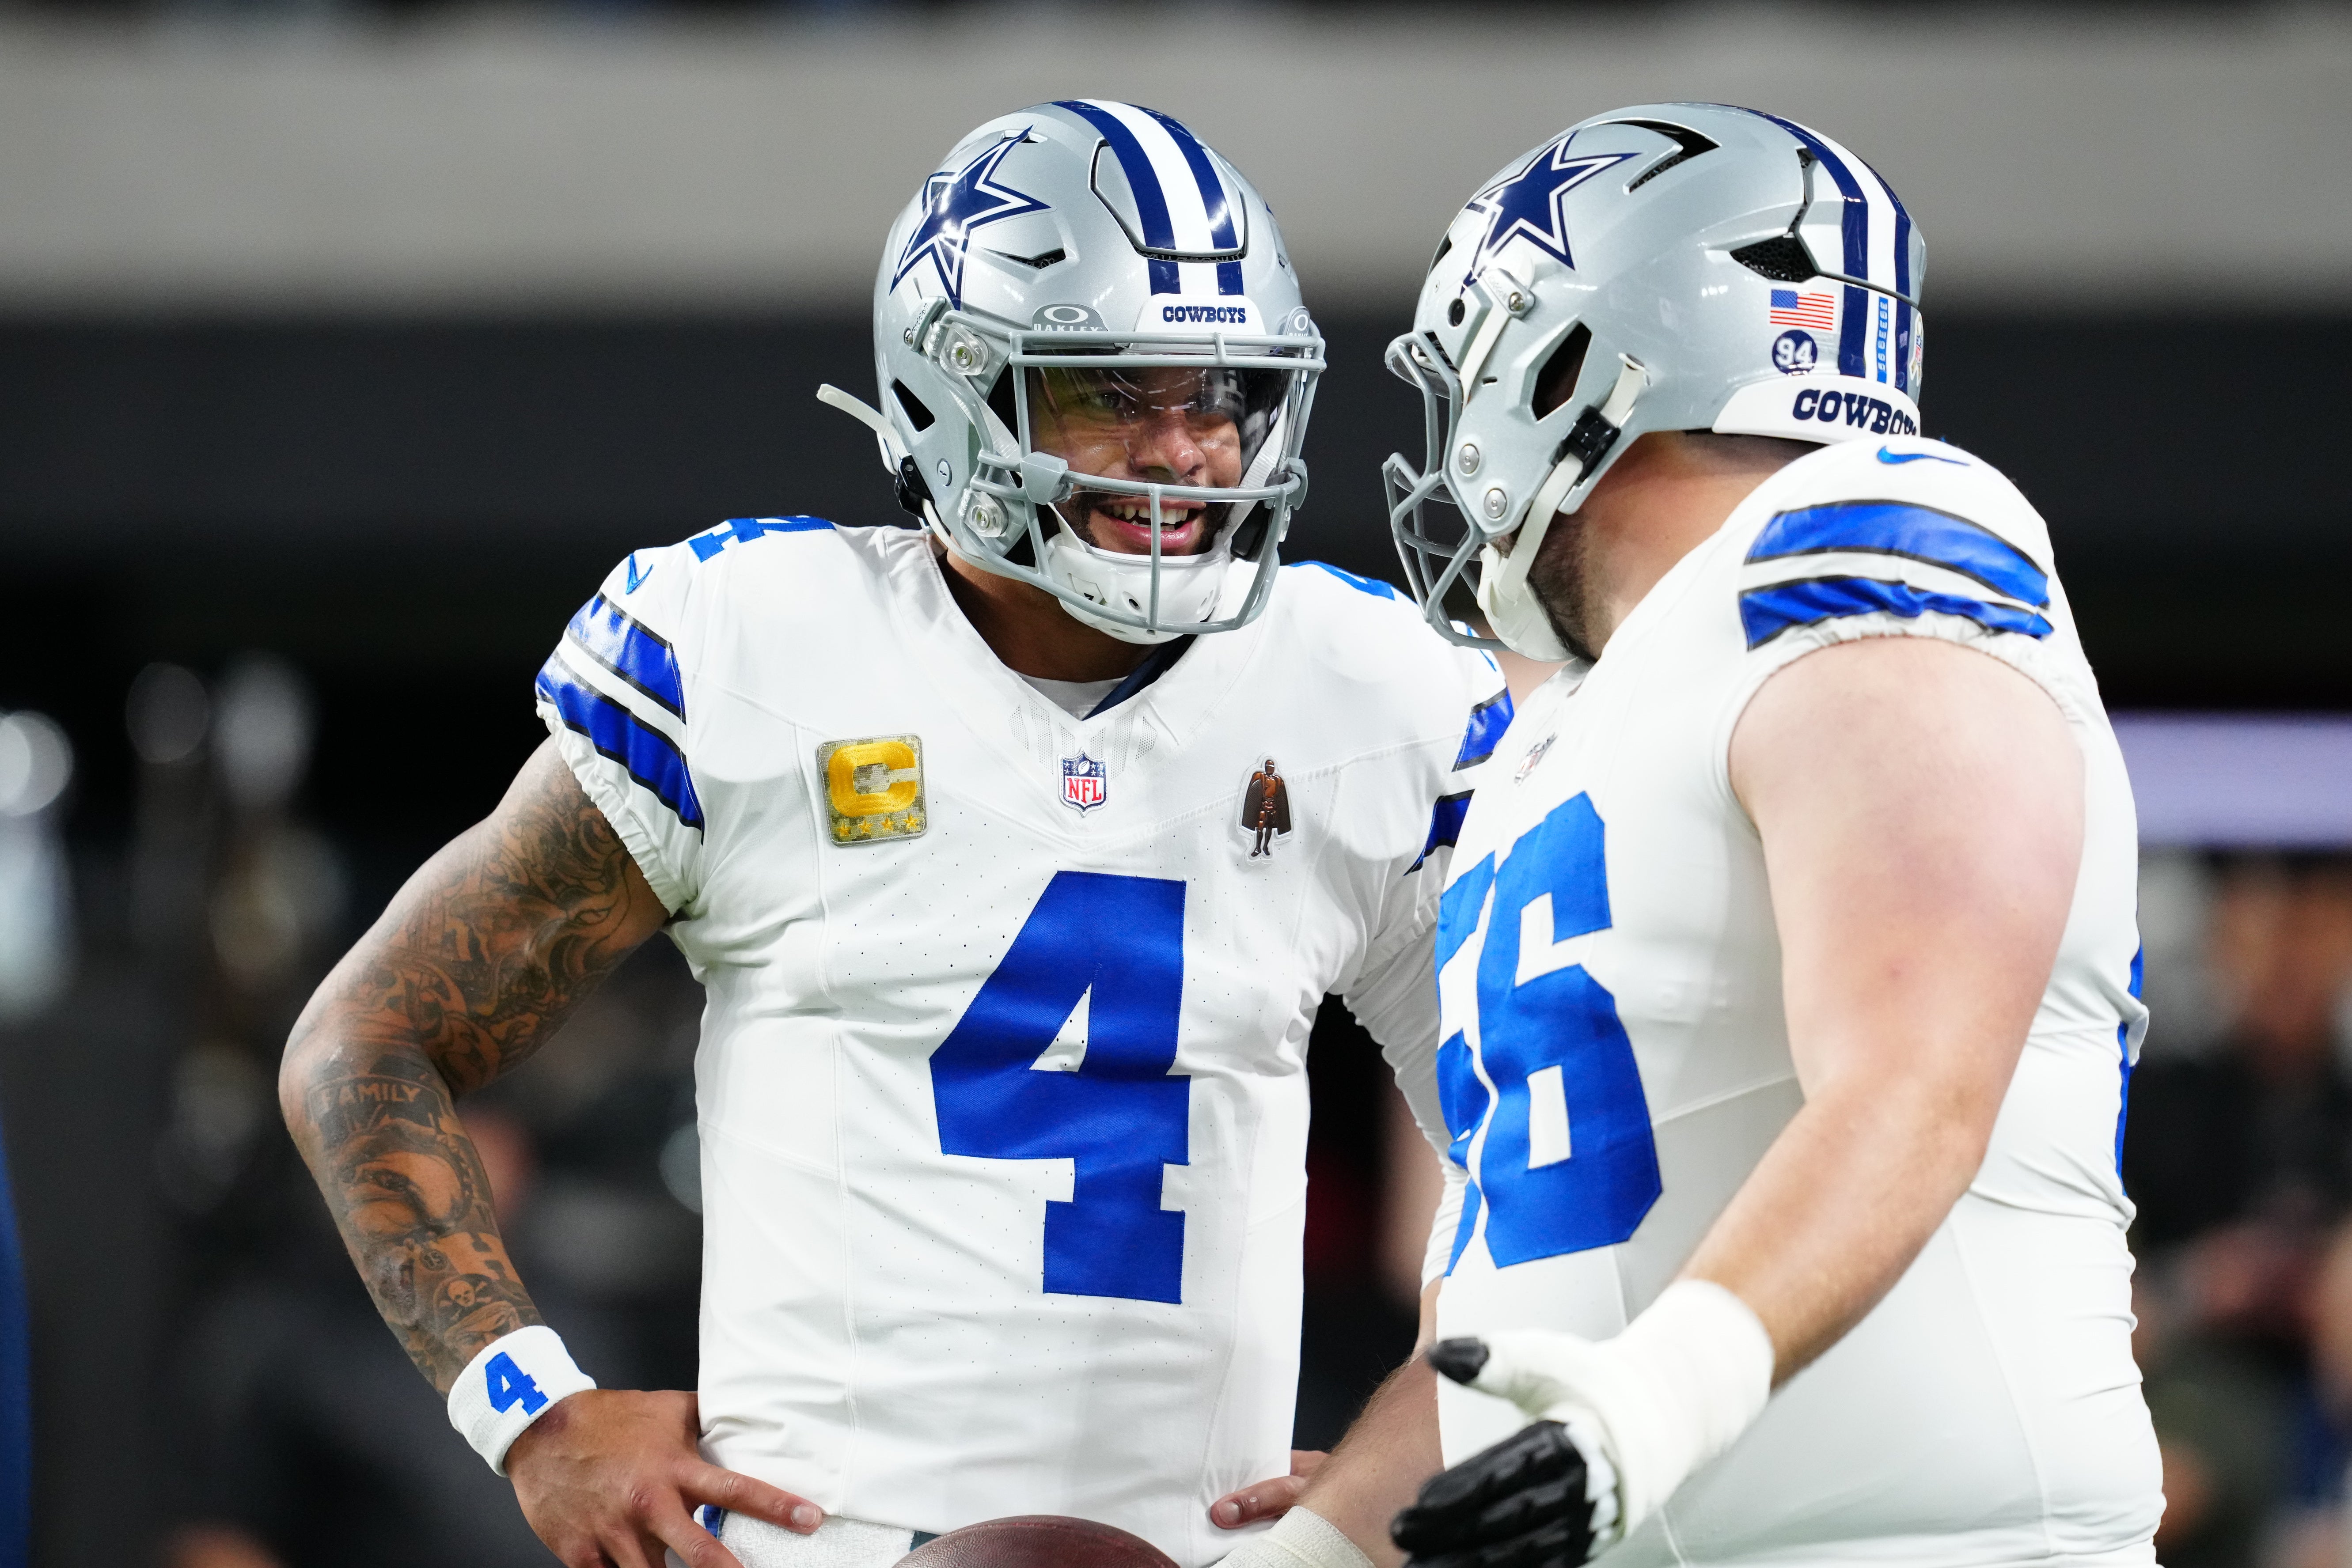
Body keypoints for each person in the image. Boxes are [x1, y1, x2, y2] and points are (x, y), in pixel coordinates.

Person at [277, 101, 1510, 1568]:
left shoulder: (1368, 690)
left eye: (1219, 397)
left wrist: (1410, 1454)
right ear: (953, 390)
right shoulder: (758, 650)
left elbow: (1533, 1134)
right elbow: (367, 1042)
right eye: (1112, 396)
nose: (1184, 452)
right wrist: (532, 1413)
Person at [1242, 103, 2162, 1568]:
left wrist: (1651, 1404)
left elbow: (1913, 1080)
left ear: (1560, 366)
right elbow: (1507, 1337)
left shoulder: (1860, 538)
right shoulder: (1562, 731)